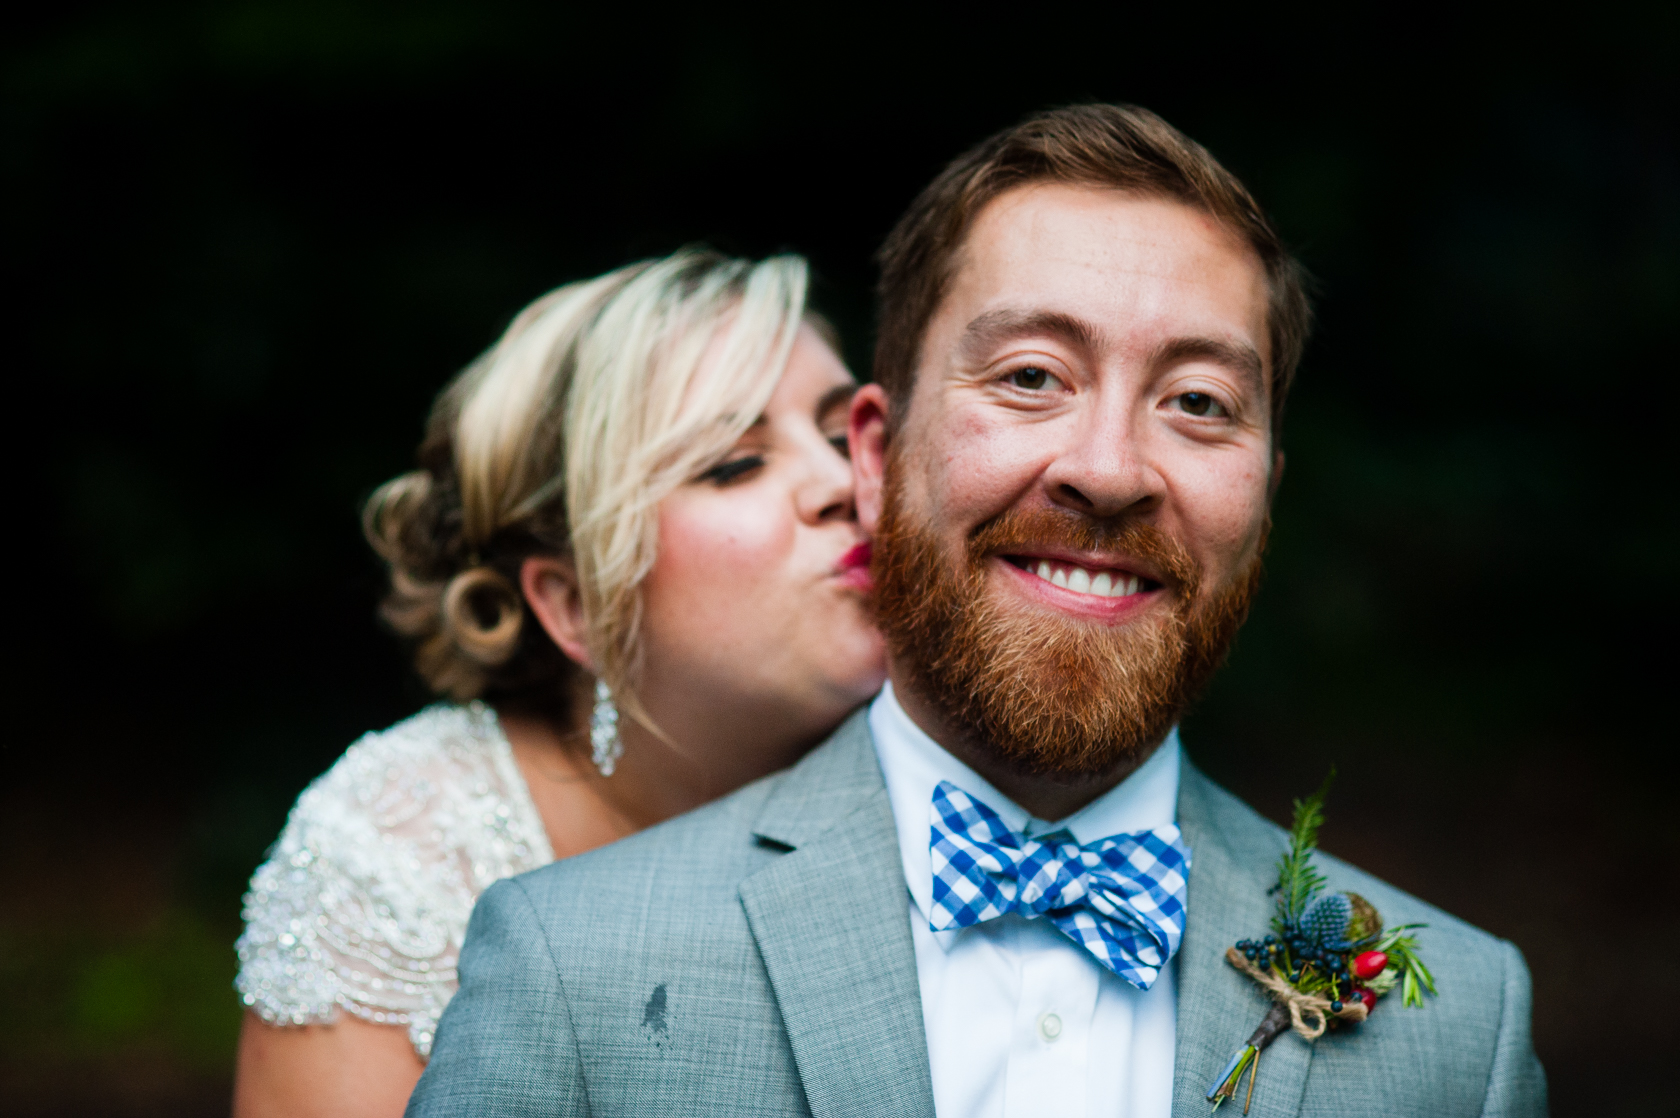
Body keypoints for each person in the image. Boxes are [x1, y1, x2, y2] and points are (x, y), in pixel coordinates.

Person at [407, 106, 1547, 1117]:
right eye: (1031, 376)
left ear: (1264, 493)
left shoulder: (1463, 1027)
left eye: (1198, 401)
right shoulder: (573, 964)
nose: (1109, 470)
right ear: (875, 453)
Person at [230, 250, 886, 1118]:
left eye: (846, 436)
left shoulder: (968, 770)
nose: (845, 484)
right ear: (576, 603)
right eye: (734, 462)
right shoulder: (402, 864)